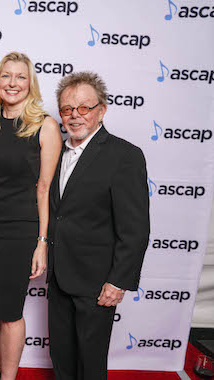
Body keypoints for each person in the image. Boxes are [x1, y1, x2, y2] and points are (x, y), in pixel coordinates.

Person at [47, 72, 150, 380]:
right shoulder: (55, 153)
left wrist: (118, 281)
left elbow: (135, 228)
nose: (75, 116)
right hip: (59, 276)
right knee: (62, 357)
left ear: (101, 110)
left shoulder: (125, 156)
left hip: (97, 281)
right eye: (67, 109)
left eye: (84, 108)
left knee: (90, 363)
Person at [0, 52, 62, 380]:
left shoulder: (45, 126)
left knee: (9, 311)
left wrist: (42, 242)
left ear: (31, 82)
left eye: (20, 77)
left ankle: (8, 376)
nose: (13, 83)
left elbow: (45, 189)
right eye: (6, 76)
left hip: (20, 232)